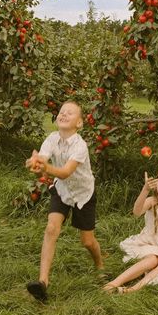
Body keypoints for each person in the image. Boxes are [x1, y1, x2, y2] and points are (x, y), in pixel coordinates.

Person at [25, 101, 103, 302]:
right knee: (51, 228)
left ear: (79, 123)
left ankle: (100, 265)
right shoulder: (51, 138)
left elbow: (66, 172)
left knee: (87, 241)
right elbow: (43, 157)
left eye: (70, 113)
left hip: (83, 194)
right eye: (61, 112)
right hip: (62, 191)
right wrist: (35, 162)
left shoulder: (80, 145)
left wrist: (45, 167)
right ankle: (42, 283)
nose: (64, 114)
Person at [103, 168, 158, 293]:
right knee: (152, 259)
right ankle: (114, 283)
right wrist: (145, 189)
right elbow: (136, 212)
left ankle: (132, 290)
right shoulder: (151, 202)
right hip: (148, 244)